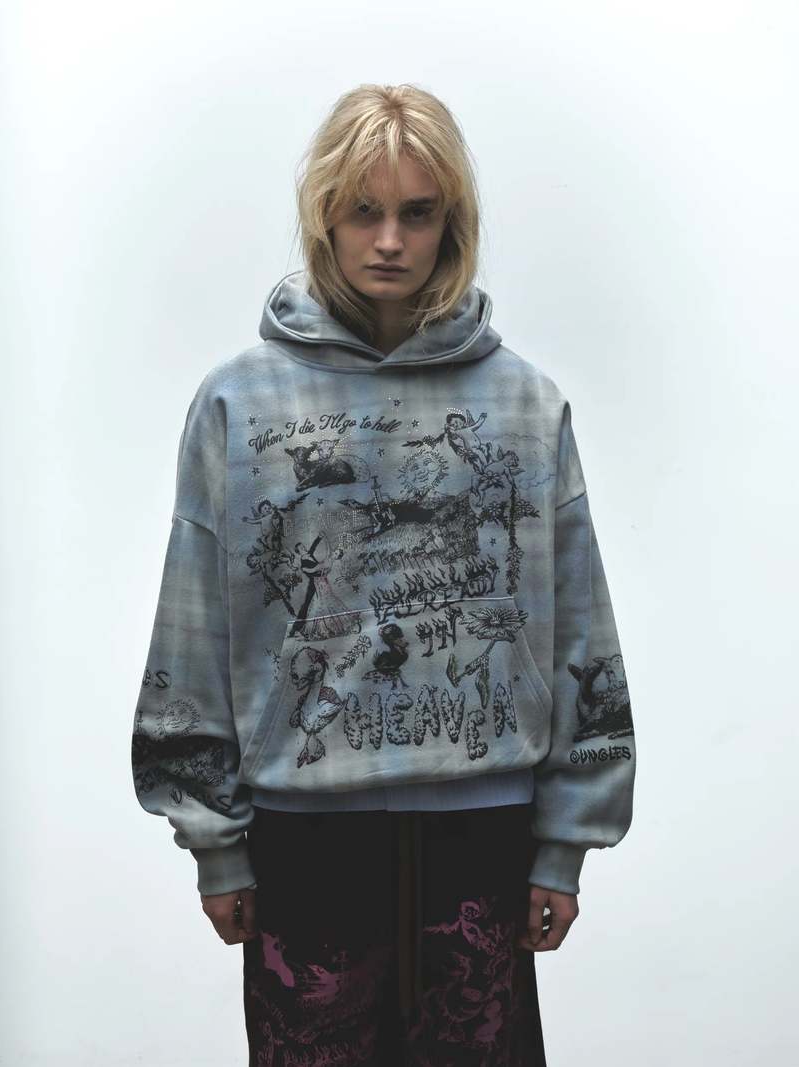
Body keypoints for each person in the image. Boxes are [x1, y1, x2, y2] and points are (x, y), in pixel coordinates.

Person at [131, 82, 637, 1065]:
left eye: (417, 211)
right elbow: (193, 622)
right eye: (364, 210)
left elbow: (578, 623)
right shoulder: (237, 402)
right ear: (325, 214)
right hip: (303, 839)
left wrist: (566, 840)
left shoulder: (523, 404)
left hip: (484, 835)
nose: (391, 240)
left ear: (454, 220)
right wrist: (214, 841)